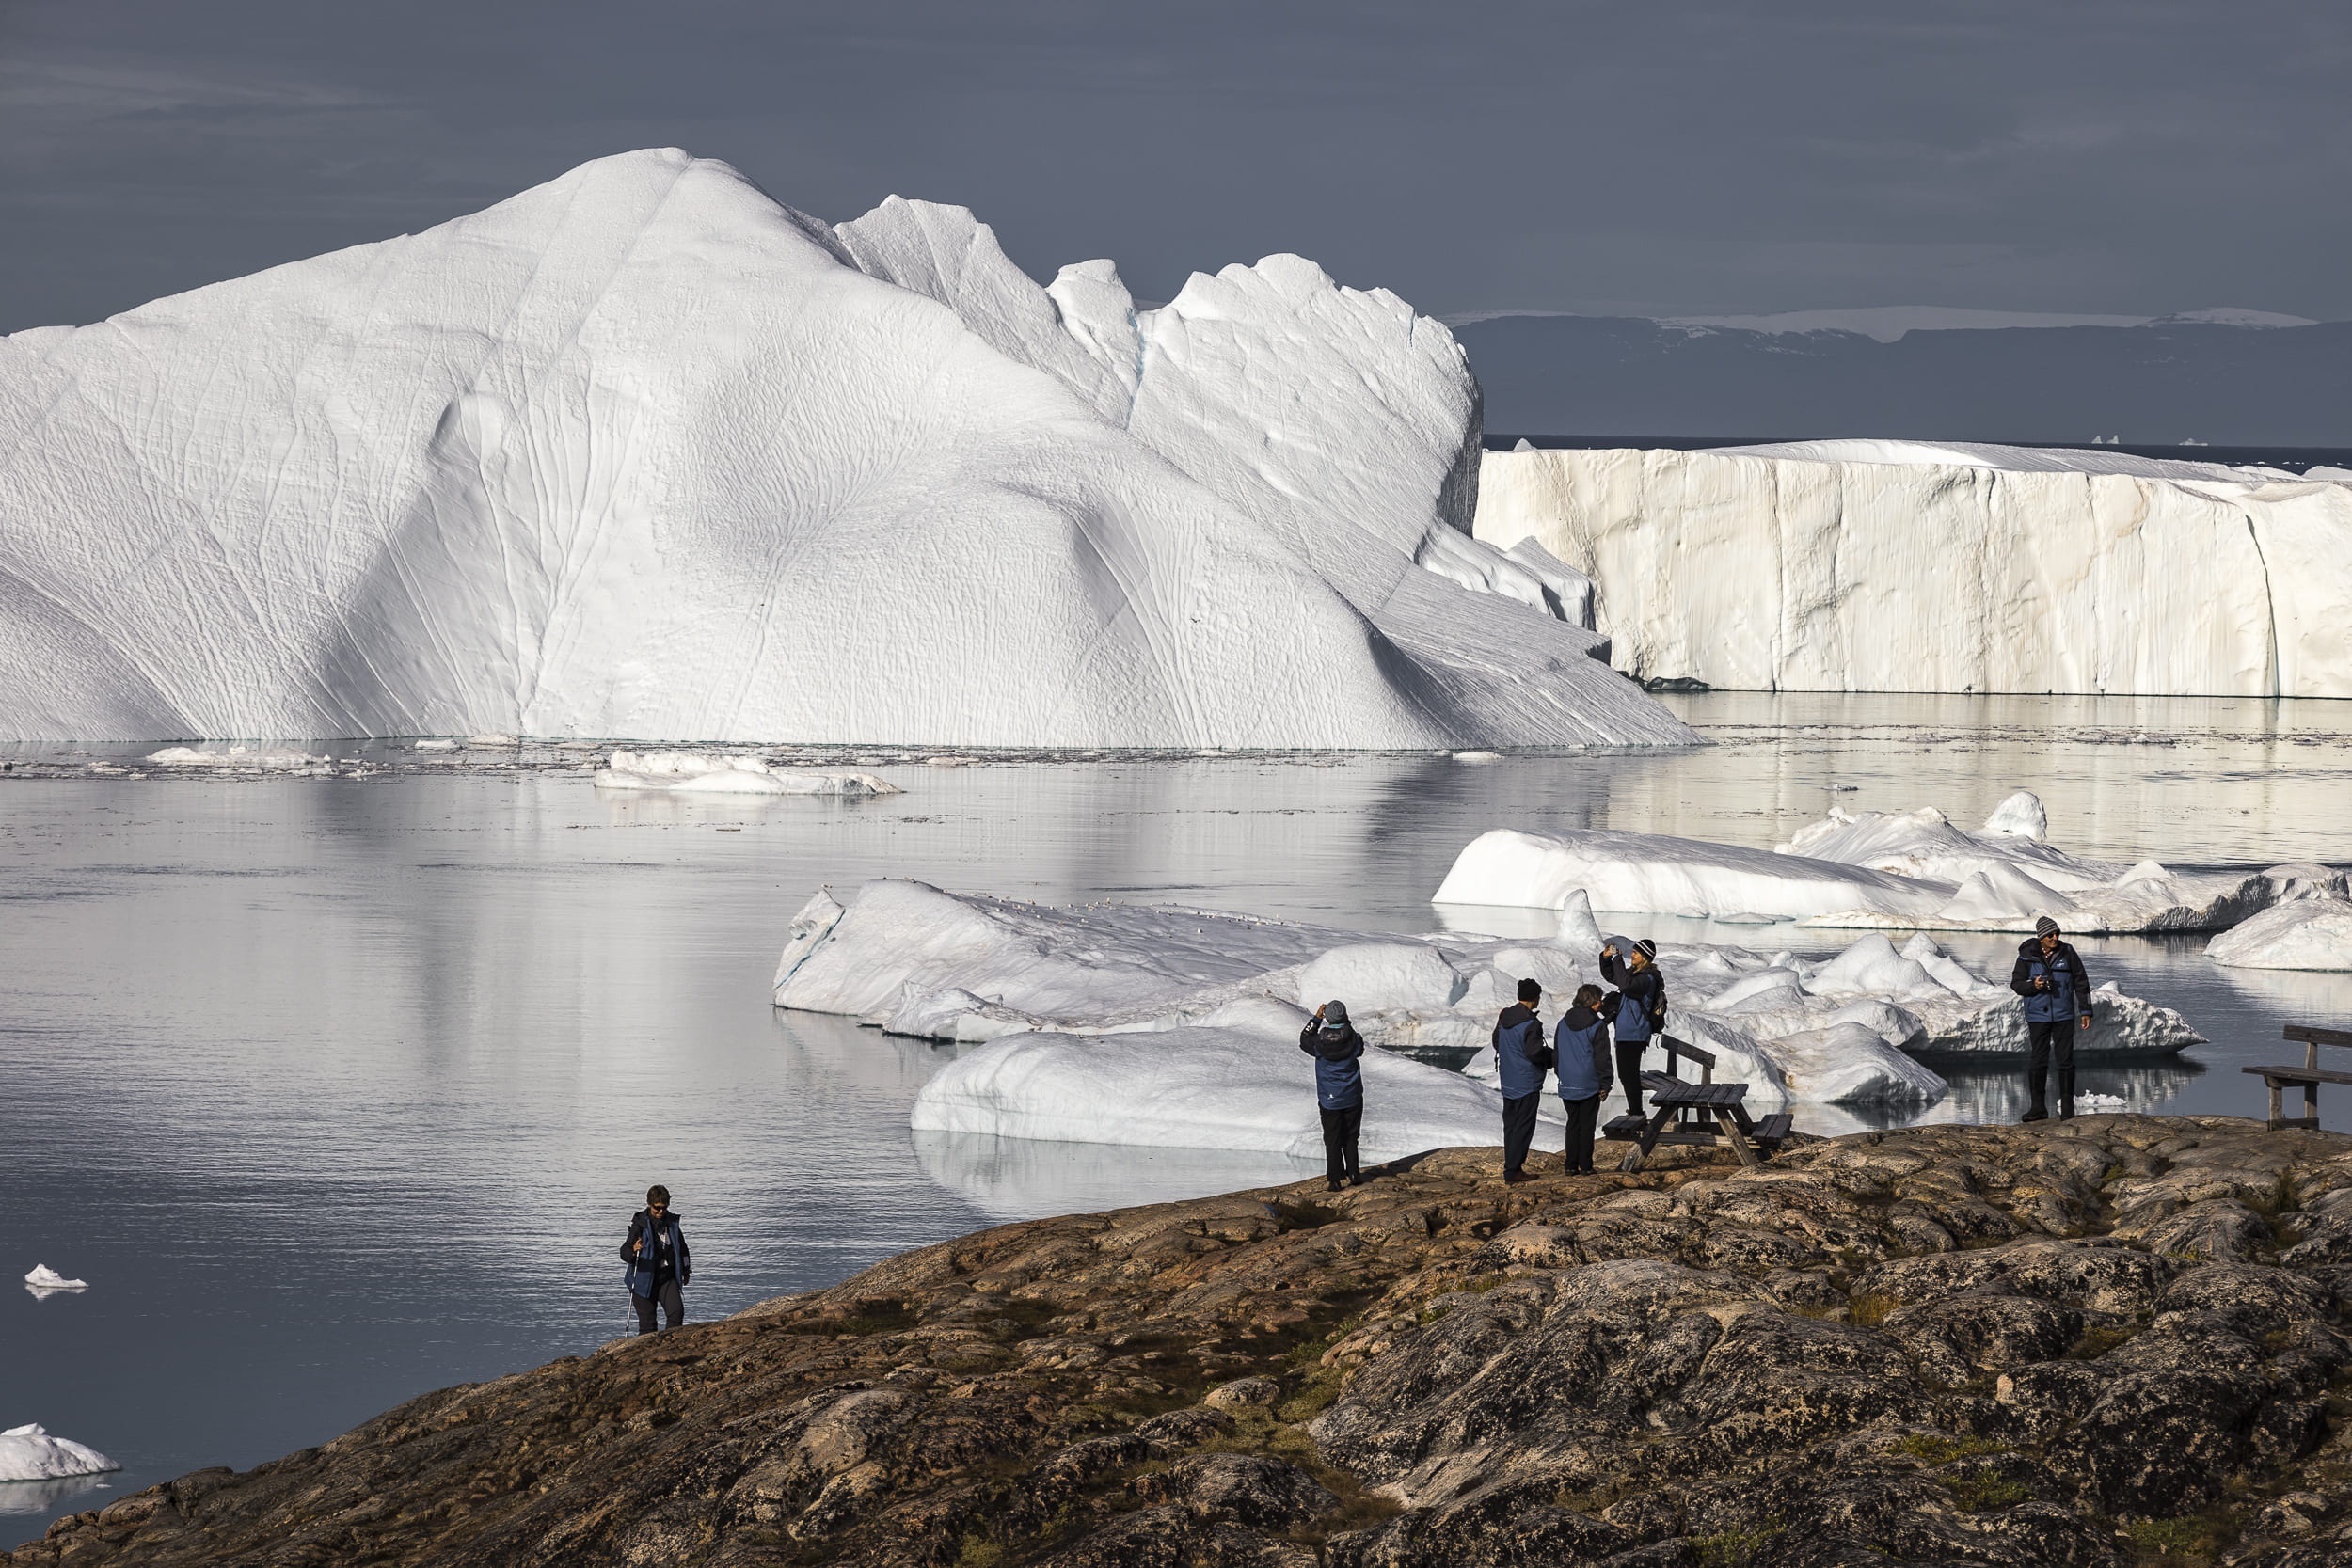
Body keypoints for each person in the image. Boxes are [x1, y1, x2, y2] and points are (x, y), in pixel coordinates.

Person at [2010, 916, 2093, 1122]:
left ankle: (2067, 1110)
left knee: (2065, 1061)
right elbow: (2016, 984)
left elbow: (2081, 983)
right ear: (2041, 937)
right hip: (2037, 1016)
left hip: (2063, 1014)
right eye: (2050, 935)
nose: (2054, 937)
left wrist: (2085, 1010)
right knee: (2038, 1060)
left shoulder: (2068, 953)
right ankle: (2038, 1108)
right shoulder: (2026, 957)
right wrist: (2034, 986)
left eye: (2057, 934)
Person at [1299, 1001, 1366, 1191]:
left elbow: (1304, 1039)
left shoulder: (1319, 1043)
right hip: (1352, 1096)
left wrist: (1317, 1018)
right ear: (1344, 1017)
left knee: (1332, 1137)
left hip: (1329, 1099)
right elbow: (1359, 1049)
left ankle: (1335, 1180)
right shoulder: (1354, 1039)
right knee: (1351, 1136)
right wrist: (1344, 1022)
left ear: (1327, 1017)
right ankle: (1353, 1173)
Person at [1494, 977, 1553, 1184]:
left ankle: (1511, 1167)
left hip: (1508, 1080)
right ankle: (1514, 1170)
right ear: (1535, 998)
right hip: (1526, 1082)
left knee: (1510, 1126)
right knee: (1524, 1126)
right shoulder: (1530, 1024)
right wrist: (1551, 1056)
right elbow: (1535, 1053)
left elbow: (1496, 1042)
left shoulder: (1505, 1017)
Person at [1600, 936, 1667, 1117]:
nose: (1633, 955)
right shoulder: (1637, 975)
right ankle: (1636, 1111)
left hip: (1635, 1033)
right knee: (1626, 1074)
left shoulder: (1647, 979)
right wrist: (1606, 958)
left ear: (1645, 957)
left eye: (1636, 953)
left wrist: (1618, 960)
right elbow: (1612, 976)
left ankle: (1636, 1113)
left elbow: (1625, 984)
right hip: (1627, 1032)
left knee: (1628, 1074)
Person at [1553, 983, 1614, 1175]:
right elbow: (1601, 1058)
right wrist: (1605, 1083)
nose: (1601, 1004)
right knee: (1587, 1125)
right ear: (1593, 1002)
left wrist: (1561, 1073)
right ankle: (1586, 1166)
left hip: (1568, 1081)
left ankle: (1571, 1165)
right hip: (1588, 1082)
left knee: (1573, 1123)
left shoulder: (1562, 1023)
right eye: (1599, 1001)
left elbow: (1557, 1054)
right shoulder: (1597, 1026)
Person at [622, 1184, 691, 1334]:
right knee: (648, 1325)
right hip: (642, 1281)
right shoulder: (639, 1225)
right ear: (649, 1204)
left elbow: (682, 1249)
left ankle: (670, 1347)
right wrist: (634, 1251)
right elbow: (624, 1252)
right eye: (657, 1207)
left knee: (676, 1312)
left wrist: (686, 1270)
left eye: (664, 1208)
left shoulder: (672, 1224)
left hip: (666, 1278)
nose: (661, 1211)